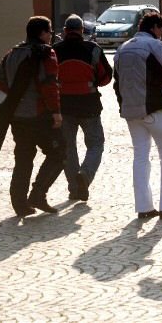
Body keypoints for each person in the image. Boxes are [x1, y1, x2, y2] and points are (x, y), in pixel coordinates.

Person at [0, 16, 66, 217]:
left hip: (17, 115)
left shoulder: (12, 53)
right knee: (59, 153)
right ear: (42, 33)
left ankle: (19, 203)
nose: (51, 36)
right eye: (50, 31)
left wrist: (16, 93)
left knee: (23, 158)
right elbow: (50, 85)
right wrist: (56, 112)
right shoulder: (46, 53)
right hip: (40, 114)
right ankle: (38, 194)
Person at [113, 12, 162, 220]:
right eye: (161, 30)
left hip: (131, 112)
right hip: (156, 109)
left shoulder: (122, 49)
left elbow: (117, 81)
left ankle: (144, 207)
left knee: (140, 157)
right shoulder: (157, 47)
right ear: (154, 28)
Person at [53, 14, 113, 202]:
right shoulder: (93, 49)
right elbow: (106, 77)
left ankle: (73, 188)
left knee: (68, 147)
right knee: (96, 144)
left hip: (64, 105)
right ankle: (85, 176)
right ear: (81, 30)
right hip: (89, 104)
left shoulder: (54, 51)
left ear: (64, 31)